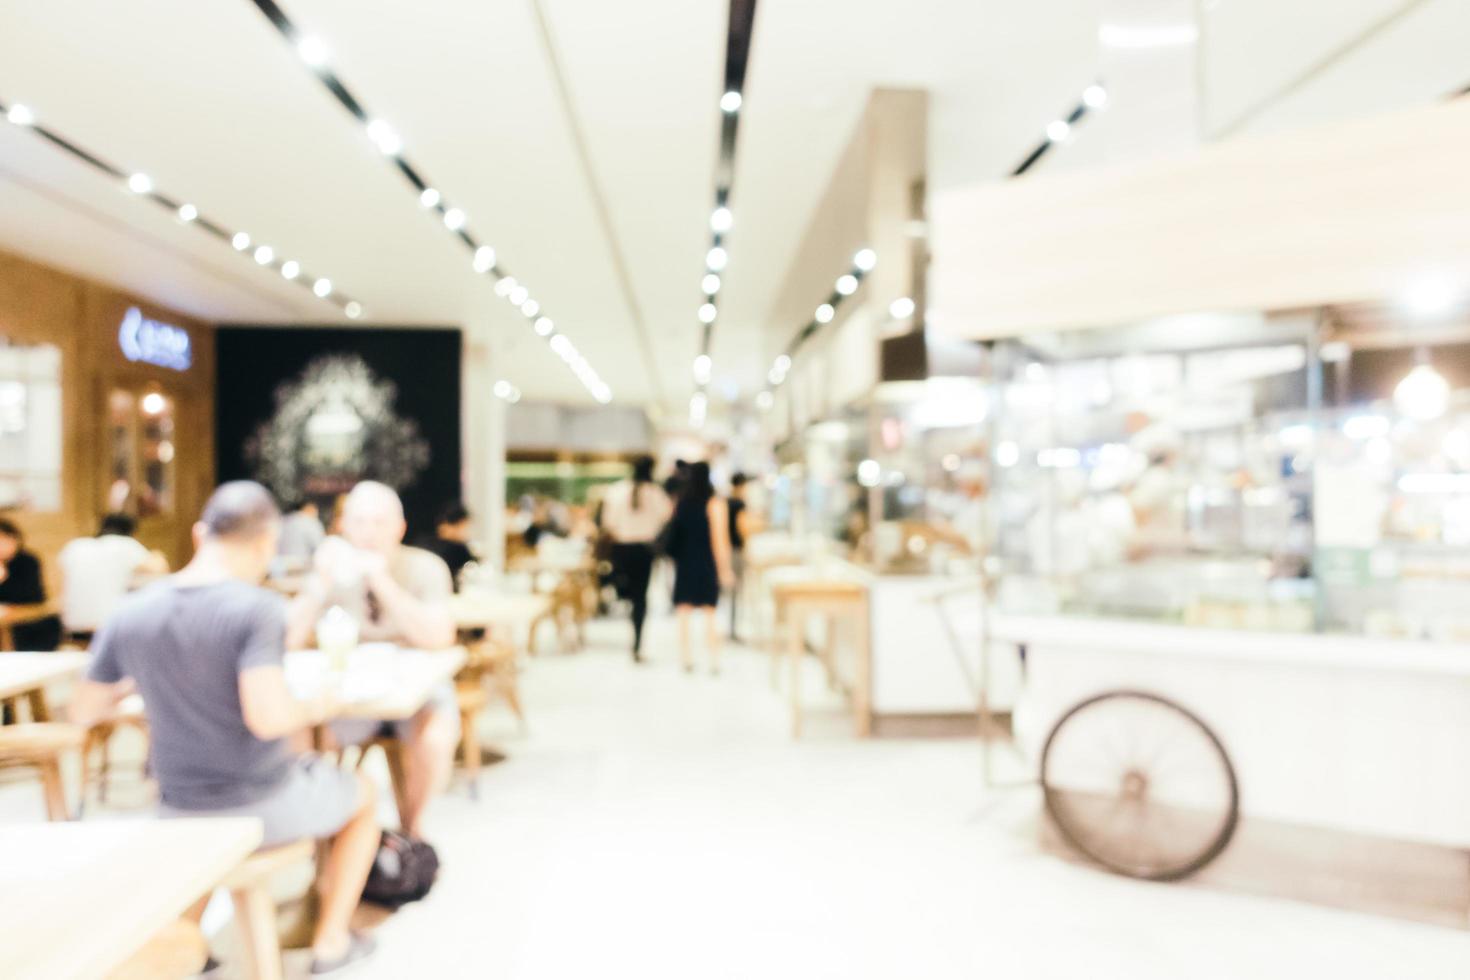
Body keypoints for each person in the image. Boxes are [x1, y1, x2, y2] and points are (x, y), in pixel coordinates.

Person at [67, 482, 381, 974]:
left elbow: (83, 711)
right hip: (257, 805)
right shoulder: (255, 609)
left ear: (198, 534)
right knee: (363, 793)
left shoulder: (131, 611)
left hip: (174, 806)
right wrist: (319, 704)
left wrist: (146, 684)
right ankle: (331, 941)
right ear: (266, 541)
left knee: (207, 839)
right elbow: (269, 717)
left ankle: (188, 945)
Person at [286, 481, 458, 839]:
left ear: (400, 528)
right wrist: (319, 582)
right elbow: (287, 640)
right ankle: (324, 833)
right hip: (347, 695)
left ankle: (411, 834)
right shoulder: (329, 571)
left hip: (417, 692)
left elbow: (439, 638)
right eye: (360, 522)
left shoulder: (426, 567)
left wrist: (381, 581)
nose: (370, 532)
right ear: (342, 527)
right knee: (297, 736)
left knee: (436, 739)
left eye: (381, 522)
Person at [600, 455, 672, 662]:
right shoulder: (656, 494)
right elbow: (666, 518)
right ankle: (637, 640)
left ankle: (631, 630)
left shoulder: (616, 491)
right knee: (640, 597)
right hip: (644, 550)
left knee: (627, 591)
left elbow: (608, 523)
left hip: (621, 549)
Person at [663, 462, 733, 674]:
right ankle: (714, 660)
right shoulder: (715, 504)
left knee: (683, 611)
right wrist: (725, 569)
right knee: (710, 612)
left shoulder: (680, 503)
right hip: (706, 563)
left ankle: (687, 659)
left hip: (684, 563)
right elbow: (720, 541)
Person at [57, 513, 169, 643]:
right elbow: (160, 569)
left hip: (72, 628)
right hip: (109, 630)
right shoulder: (125, 544)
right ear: (132, 531)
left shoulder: (75, 546)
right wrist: (157, 554)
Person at [0, 517, 62, 650]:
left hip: (27, 614)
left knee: (48, 623)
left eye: (7, 539)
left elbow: (34, 595)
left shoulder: (28, 561)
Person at [418, 501, 477, 588]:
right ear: (460, 523)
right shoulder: (457, 549)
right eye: (467, 526)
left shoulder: (421, 542)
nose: (468, 532)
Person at [725, 473, 755, 641]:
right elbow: (743, 527)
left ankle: (731, 626)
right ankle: (733, 629)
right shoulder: (739, 504)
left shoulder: (725, 502)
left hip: (727, 549)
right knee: (737, 590)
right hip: (736, 550)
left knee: (731, 592)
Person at [277, 499, 325, 568]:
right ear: (308, 508)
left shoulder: (281, 520)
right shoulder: (311, 522)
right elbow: (321, 549)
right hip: (302, 570)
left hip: (278, 568)